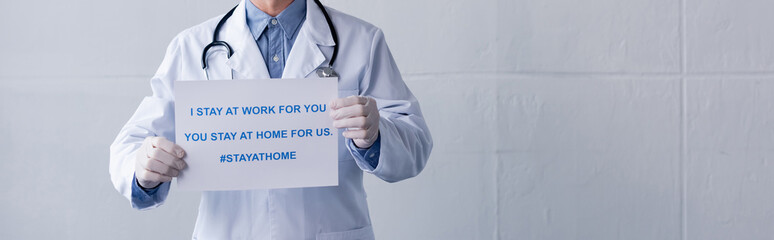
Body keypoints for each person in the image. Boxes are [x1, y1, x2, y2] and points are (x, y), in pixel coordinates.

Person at [109, 0, 432, 239]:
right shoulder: (192, 47)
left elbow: (415, 143)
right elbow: (130, 146)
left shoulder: (362, 41)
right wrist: (143, 167)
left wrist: (377, 137)